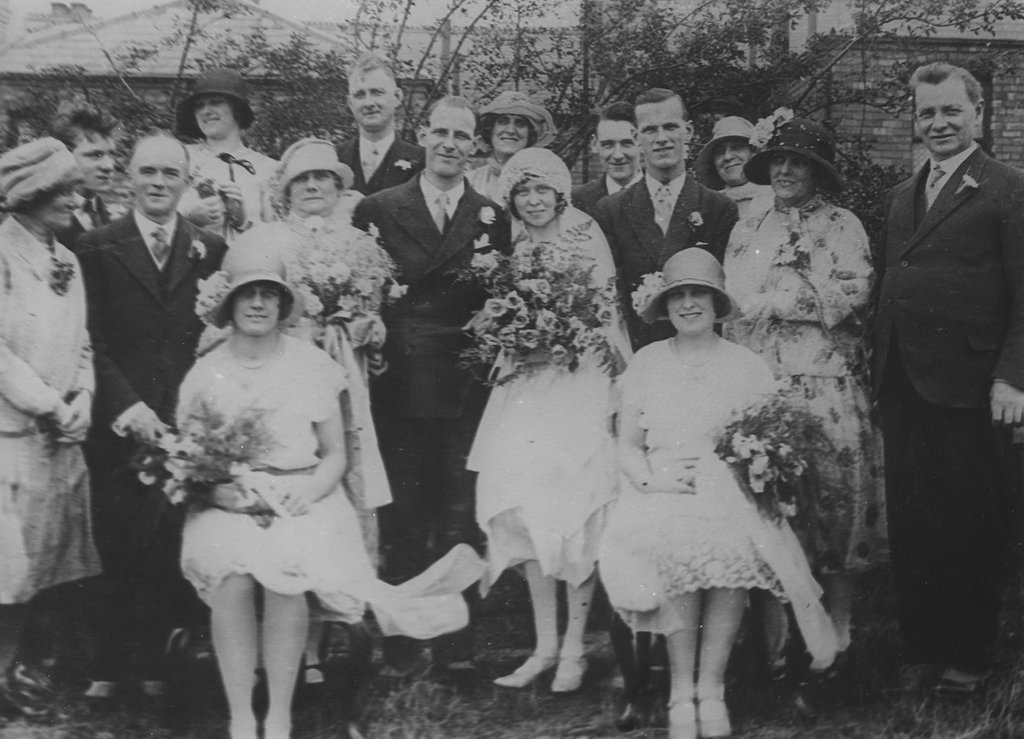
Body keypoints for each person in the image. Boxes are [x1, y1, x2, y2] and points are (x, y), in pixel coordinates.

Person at [178, 244, 482, 739]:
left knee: (285, 576)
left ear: (282, 305)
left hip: (303, 495)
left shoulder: (310, 364)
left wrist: (309, 492)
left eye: (268, 295)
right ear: (229, 304)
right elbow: (190, 457)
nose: (257, 304)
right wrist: (216, 494)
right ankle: (240, 714)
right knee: (231, 576)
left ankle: (278, 712)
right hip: (230, 500)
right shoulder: (205, 371)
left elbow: (335, 455)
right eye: (246, 295)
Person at [600, 248, 837, 739]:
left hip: (732, 487)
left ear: (716, 303)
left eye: (699, 294)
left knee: (731, 547)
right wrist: (652, 481)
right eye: (678, 296)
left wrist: (752, 472)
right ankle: (679, 692)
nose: (689, 304)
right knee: (680, 549)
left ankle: (711, 689)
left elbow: (773, 438)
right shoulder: (646, 362)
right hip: (662, 484)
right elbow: (625, 445)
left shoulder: (745, 364)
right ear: (664, 308)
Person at [874, 61, 1024, 694]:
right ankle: (921, 648)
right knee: (913, 520)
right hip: (904, 382)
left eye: (951, 111)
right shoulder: (901, 194)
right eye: (927, 112)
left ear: (978, 116)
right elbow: (893, 284)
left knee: (970, 521)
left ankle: (968, 655)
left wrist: (1012, 378)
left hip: (971, 385)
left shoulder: (1007, 189)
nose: (938, 122)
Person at [352, 95, 510, 676]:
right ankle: (399, 641)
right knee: (405, 512)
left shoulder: (492, 215)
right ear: (423, 136)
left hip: (466, 382)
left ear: (475, 145)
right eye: (440, 133)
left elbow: (499, 299)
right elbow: (365, 291)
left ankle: (455, 647)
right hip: (398, 376)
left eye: (461, 136)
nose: (450, 144)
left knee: (458, 511)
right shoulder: (378, 207)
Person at [723, 118, 886, 677]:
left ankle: (838, 623)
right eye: (778, 162)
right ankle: (781, 635)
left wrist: (786, 294)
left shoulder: (844, 224)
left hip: (828, 380)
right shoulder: (748, 228)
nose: (787, 171)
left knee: (836, 504)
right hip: (766, 384)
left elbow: (856, 291)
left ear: (816, 172)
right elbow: (735, 301)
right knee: (777, 507)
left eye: (798, 163)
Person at [466, 148, 631, 692]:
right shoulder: (510, 244)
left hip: (577, 386)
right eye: (522, 192)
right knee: (522, 508)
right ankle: (543, 645)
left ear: (560, 193)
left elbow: (604, 312)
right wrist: (516, 339)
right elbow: (500, 312)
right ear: (510, 198)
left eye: (541, 191)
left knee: (573, 509)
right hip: (526, 388)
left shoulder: (584, 232)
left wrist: (564, 342)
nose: (532, 202)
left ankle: (575, 647)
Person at [232, 137, 396, 685]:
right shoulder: (268, 240)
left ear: (338, 187)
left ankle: (332, 636)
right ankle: (286, 642)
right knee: (294, 481)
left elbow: (375, 314)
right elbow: (253, 310)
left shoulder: (359, 244)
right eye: (301, 180)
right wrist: (308, 328)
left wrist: (364, 326)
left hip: (345, 382)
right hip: (289, 377)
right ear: (286, 190)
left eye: (322, 178)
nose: (312, 188)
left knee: (346, 484)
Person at [77, 134, 228, 704]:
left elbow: (214, 333)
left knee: (172, 542)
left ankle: (164, 666)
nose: (158, 182)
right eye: (148, 172)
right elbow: (89, 339)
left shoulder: (208, 248)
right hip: (120, 420)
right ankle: (112, 665)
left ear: (187, 179)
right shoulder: (97, 246)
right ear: (129, 178)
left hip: (184, 420)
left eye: (170, 172)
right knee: (117, 542)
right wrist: (125, 407)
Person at [0, 138, 102, 718]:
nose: (75, 197)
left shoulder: (69, 257)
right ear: (31, 194)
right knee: (8, 572)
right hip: (13, 437)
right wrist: (47, 404)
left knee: (47, 568)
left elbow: (83, 342)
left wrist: (83, 396)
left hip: (62, 439)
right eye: (63, 189)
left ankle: (26, 675)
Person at [594, 88, 738, 351]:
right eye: (650, 130)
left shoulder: (718, 208)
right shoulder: (611, 210)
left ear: (689, 132)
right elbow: (611, 297)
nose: (661, 139)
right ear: (637, 138)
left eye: (671, 127)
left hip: (701, 354)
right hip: (638, 355)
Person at [175, 67, 277, 243]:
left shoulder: (267, 168)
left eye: (215, 102)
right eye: (199, 105)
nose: (205, 111)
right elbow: (154, 217)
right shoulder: (180, 158)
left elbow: (278, 234)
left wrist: (244, 221)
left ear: (237, 110)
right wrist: (187, 218)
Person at [337, 55, 424, 196]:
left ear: (397, 97)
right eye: (359, 95)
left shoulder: (421, 162)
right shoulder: (334, 159)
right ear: (350, 103)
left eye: (377, 93)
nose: (369, 103)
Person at [50, 102, 120, 250]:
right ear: (65, 155)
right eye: (96, 155)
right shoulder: (43, 218)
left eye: (112, 155)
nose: (109, 166)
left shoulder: (108, 217)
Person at [466, 90, 556, 204]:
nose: (510, 130)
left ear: (529, 134)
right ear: (491, 130)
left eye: (520, 124)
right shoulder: (469, 182)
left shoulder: (544, 184)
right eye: (503, 122)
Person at [572, 101, 643, 219]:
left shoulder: (660, 194)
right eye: (608, 145)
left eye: (627, 143)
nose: (618, 155)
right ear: (594, 144)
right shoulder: (578, 201)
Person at [694, 116, 773, 220]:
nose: (727, 157)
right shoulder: (708, 206)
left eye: (736, 147)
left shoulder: (775, 197)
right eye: (720, 152)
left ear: (754, 152)